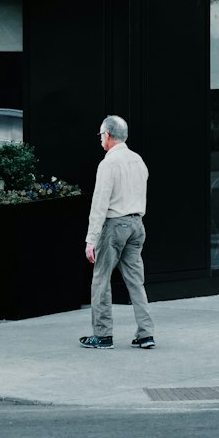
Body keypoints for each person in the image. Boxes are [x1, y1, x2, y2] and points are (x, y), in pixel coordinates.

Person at [80, 115, 156, 350]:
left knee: (101, 280)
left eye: (101, 135)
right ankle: (146, 334)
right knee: (136, 281)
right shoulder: (138, 160)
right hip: (137, 225)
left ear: (109, 136)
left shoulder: (108, 164)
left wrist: (90, 240)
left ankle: (102, 335)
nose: (100, 139)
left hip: (115, 226)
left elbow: (100, 204)